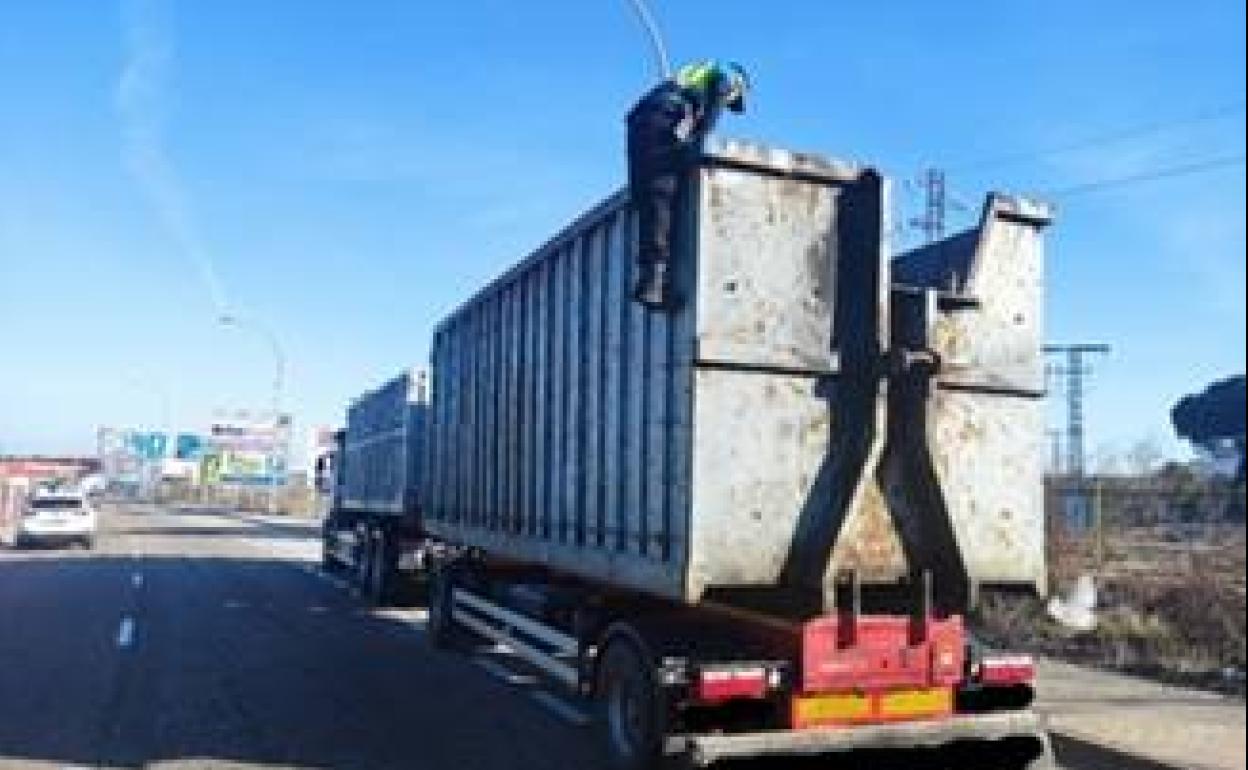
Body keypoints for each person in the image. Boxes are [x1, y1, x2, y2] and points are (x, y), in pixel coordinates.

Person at [626, 60, 750, 308]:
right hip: (663, 115)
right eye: (733, 101)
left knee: (647, 195)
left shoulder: (692, 79)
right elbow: (711, 113)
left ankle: (650, 281)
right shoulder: (726, 75)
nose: (728, 104)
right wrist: (700, 142)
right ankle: (655, 284)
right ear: (740, 87)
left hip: (640, 120)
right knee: (663, 190)